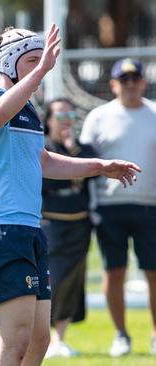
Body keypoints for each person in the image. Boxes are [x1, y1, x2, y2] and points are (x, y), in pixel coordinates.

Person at [0, 25, 140, 366]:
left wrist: (99, 165)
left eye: (41, 60)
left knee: (38, 339)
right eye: (30, 61)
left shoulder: (30, 110)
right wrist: (42, 69)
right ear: (7, 64)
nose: (39, 67)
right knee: (14, 339)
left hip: (31, 231)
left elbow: (44, 160)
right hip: (1, 231)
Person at [79, 58, 156, 357]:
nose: (130, 84)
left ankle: (154, 334)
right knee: (115, 271)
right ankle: (121, 334)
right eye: (123, 80)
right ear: (113, 85)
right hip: (110, 206)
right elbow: (84, 161)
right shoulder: (98, 117)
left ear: (143, 82)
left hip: (151, 206)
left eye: (134, 78)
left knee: (153, 271)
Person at [40, 98, 96, 358]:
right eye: (60, 114)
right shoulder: (41, 148)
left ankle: (60, 338)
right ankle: (44, 338)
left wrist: (73, 151)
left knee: (72, 282)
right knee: (52, 279)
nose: (65, 119)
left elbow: (92, 172)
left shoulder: (83, 149)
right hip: (50, 224)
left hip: (79, 226)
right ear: (48, 119)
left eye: (70, 114)